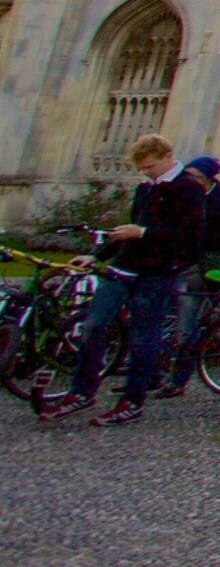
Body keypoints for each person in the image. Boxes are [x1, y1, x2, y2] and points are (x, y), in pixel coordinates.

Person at [43, 133, 199, 424]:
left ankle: (132, 400)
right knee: (93, 324)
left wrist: (143, 233)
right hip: (123, 267)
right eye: (143, 169)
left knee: (143, 337)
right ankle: (82, 391)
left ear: (167, 157)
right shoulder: (146, 188)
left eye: (150, 167)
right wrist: (98, 255)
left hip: (156, 273)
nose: (147, 173)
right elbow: (130, 228)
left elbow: (190, 236)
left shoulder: (188, 189)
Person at [162, 153, 220, 399]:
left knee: (189, 323)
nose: (189, 180)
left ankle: (178, 377)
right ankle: (169, 375)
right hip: (188, 264)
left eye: (193, 176)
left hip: (215, 264)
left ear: (207, 178)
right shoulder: (181, 196)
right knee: (178, 323)